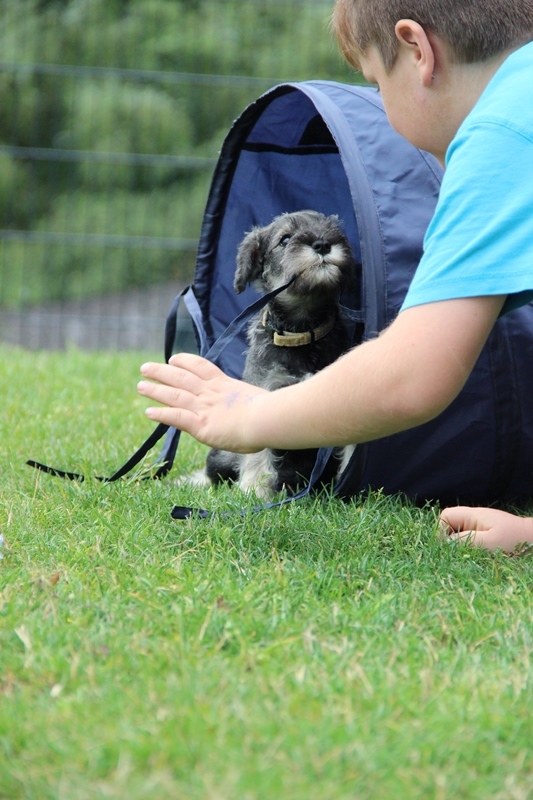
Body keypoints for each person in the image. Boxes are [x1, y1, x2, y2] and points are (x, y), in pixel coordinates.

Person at [138, 0, 533, 554]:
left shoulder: (499, 136)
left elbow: (413, 374)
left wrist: (252, 413)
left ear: (417, 50)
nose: (381, 106)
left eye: (375, 81)